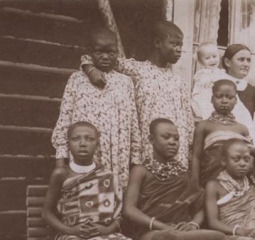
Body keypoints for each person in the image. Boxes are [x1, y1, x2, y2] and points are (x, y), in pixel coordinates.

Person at [81, 21, 194, 169]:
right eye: (174, 44)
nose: (179, 50)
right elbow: (101, 57)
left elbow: (188, 121)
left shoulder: (179, 82)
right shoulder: (137, 70)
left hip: (176, 151)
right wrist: (90, 69)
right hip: (148, 148)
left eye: (180, 46)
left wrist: (187, 149)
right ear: (157, 43)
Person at [51, 28, 141, 189]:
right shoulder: (77, 80)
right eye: (99, 52)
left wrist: (135, 162)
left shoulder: (125, 82)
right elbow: (64, 122)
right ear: (90, 53)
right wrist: (60, 162)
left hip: (117, 161)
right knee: (85, 203)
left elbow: (133, 125)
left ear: (117, 52)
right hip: (83, 160)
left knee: (114, 207)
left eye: (111, 52)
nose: (106, 57)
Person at [192, 79, 255, 189]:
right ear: (212, 99)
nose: (224, 101)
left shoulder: (242, 129)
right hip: (211, 180)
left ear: (236, 101)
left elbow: (250, 157)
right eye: (219, 96)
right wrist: (195, 184)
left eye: (229, 97)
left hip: (239, 183)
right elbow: (196, 156)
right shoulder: (204, 126)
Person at [191, 42, 226, 120]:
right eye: (207, 58)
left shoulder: (221, 73)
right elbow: (198, 92)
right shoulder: (202, 74)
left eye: (214, 56)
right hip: (205, 98)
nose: (212, 60)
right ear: (200, 61)